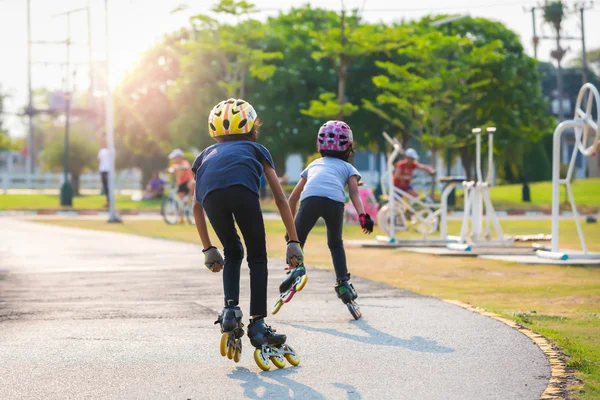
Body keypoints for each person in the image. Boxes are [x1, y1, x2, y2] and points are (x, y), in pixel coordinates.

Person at [191, 98, 304, 370]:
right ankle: (258, 324)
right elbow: (280, 197)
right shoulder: (257, 149)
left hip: (211, 198)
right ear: (253, 127)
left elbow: (196, 205)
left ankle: (230, 312)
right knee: (257, 257)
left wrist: (208, 248)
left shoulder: (204, 156)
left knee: (233, 252)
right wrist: (293, 241)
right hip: (243, 192)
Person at [284, 120, 374, 316]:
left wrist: (290, 231)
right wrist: (363, 215)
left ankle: (295, 269)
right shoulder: (348, 168)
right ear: (349, 146)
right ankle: (343, 283)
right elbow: (354, 194)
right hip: (334, 202)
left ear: (319, 145)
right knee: (335, 243)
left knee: (296, 240)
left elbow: (293, 198)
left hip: (310, 199)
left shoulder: (313, 165)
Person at [97, 138, 111, 208]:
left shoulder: (101, 151)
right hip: (109, 171)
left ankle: (109, 202)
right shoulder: (111, 151)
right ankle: (109, 202)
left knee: (106, 188)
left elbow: (99, 161)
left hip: (104, 171)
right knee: (108, 187)